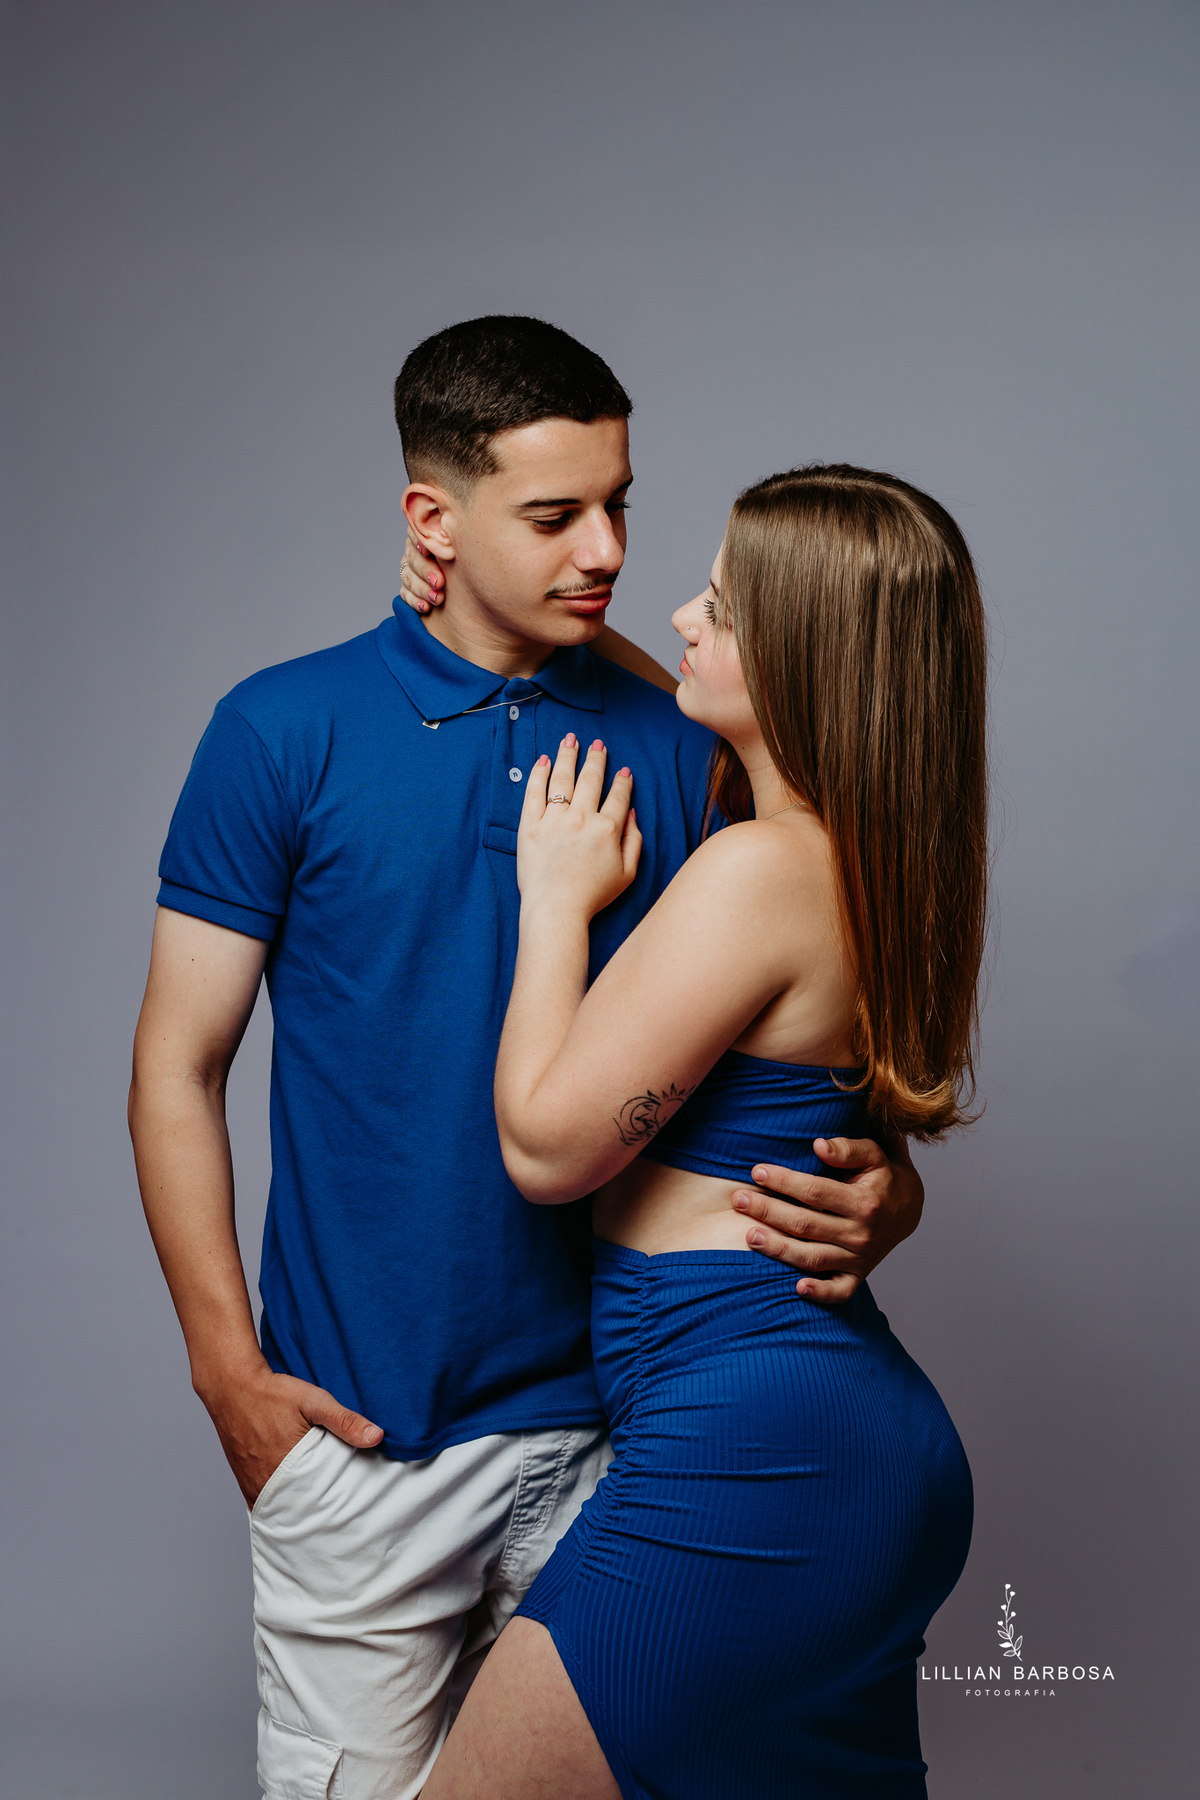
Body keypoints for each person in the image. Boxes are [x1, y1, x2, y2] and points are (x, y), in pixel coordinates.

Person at [128, 318, 926, 1800]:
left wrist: (884, 1185)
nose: (608, 548)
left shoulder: (693, 742)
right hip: (367, 1448)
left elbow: (802, 1027)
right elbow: (179, 1066)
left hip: (628, 1441)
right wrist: (227, 1374)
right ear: (432, 518)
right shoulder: (280, 730)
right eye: (556, 515)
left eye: (619, 502)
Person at [421, 464, 987, 1800]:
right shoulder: (877, 867)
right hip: (826, 1436)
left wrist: (554, 900)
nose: (677, 615)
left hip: (755, 1451)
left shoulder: (759, 872)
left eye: (722, 608)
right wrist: (507, 594)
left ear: (800, 660)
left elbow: (548, 1148)